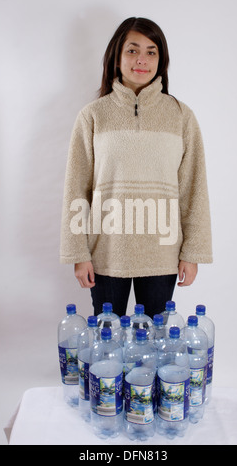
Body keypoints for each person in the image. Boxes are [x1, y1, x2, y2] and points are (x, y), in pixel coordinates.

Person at [60, 17, 212, 318]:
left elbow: (194, 188)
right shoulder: (93, 115)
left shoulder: (181, 116)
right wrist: (78, 253)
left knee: (155, 341)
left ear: (161, 60)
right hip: (106, 252)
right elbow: (76, 188)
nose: (141, 59)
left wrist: (192, 253)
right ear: (117, 57)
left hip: (162, 252)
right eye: (132, 50)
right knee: (107, 341)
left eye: (151, 51)